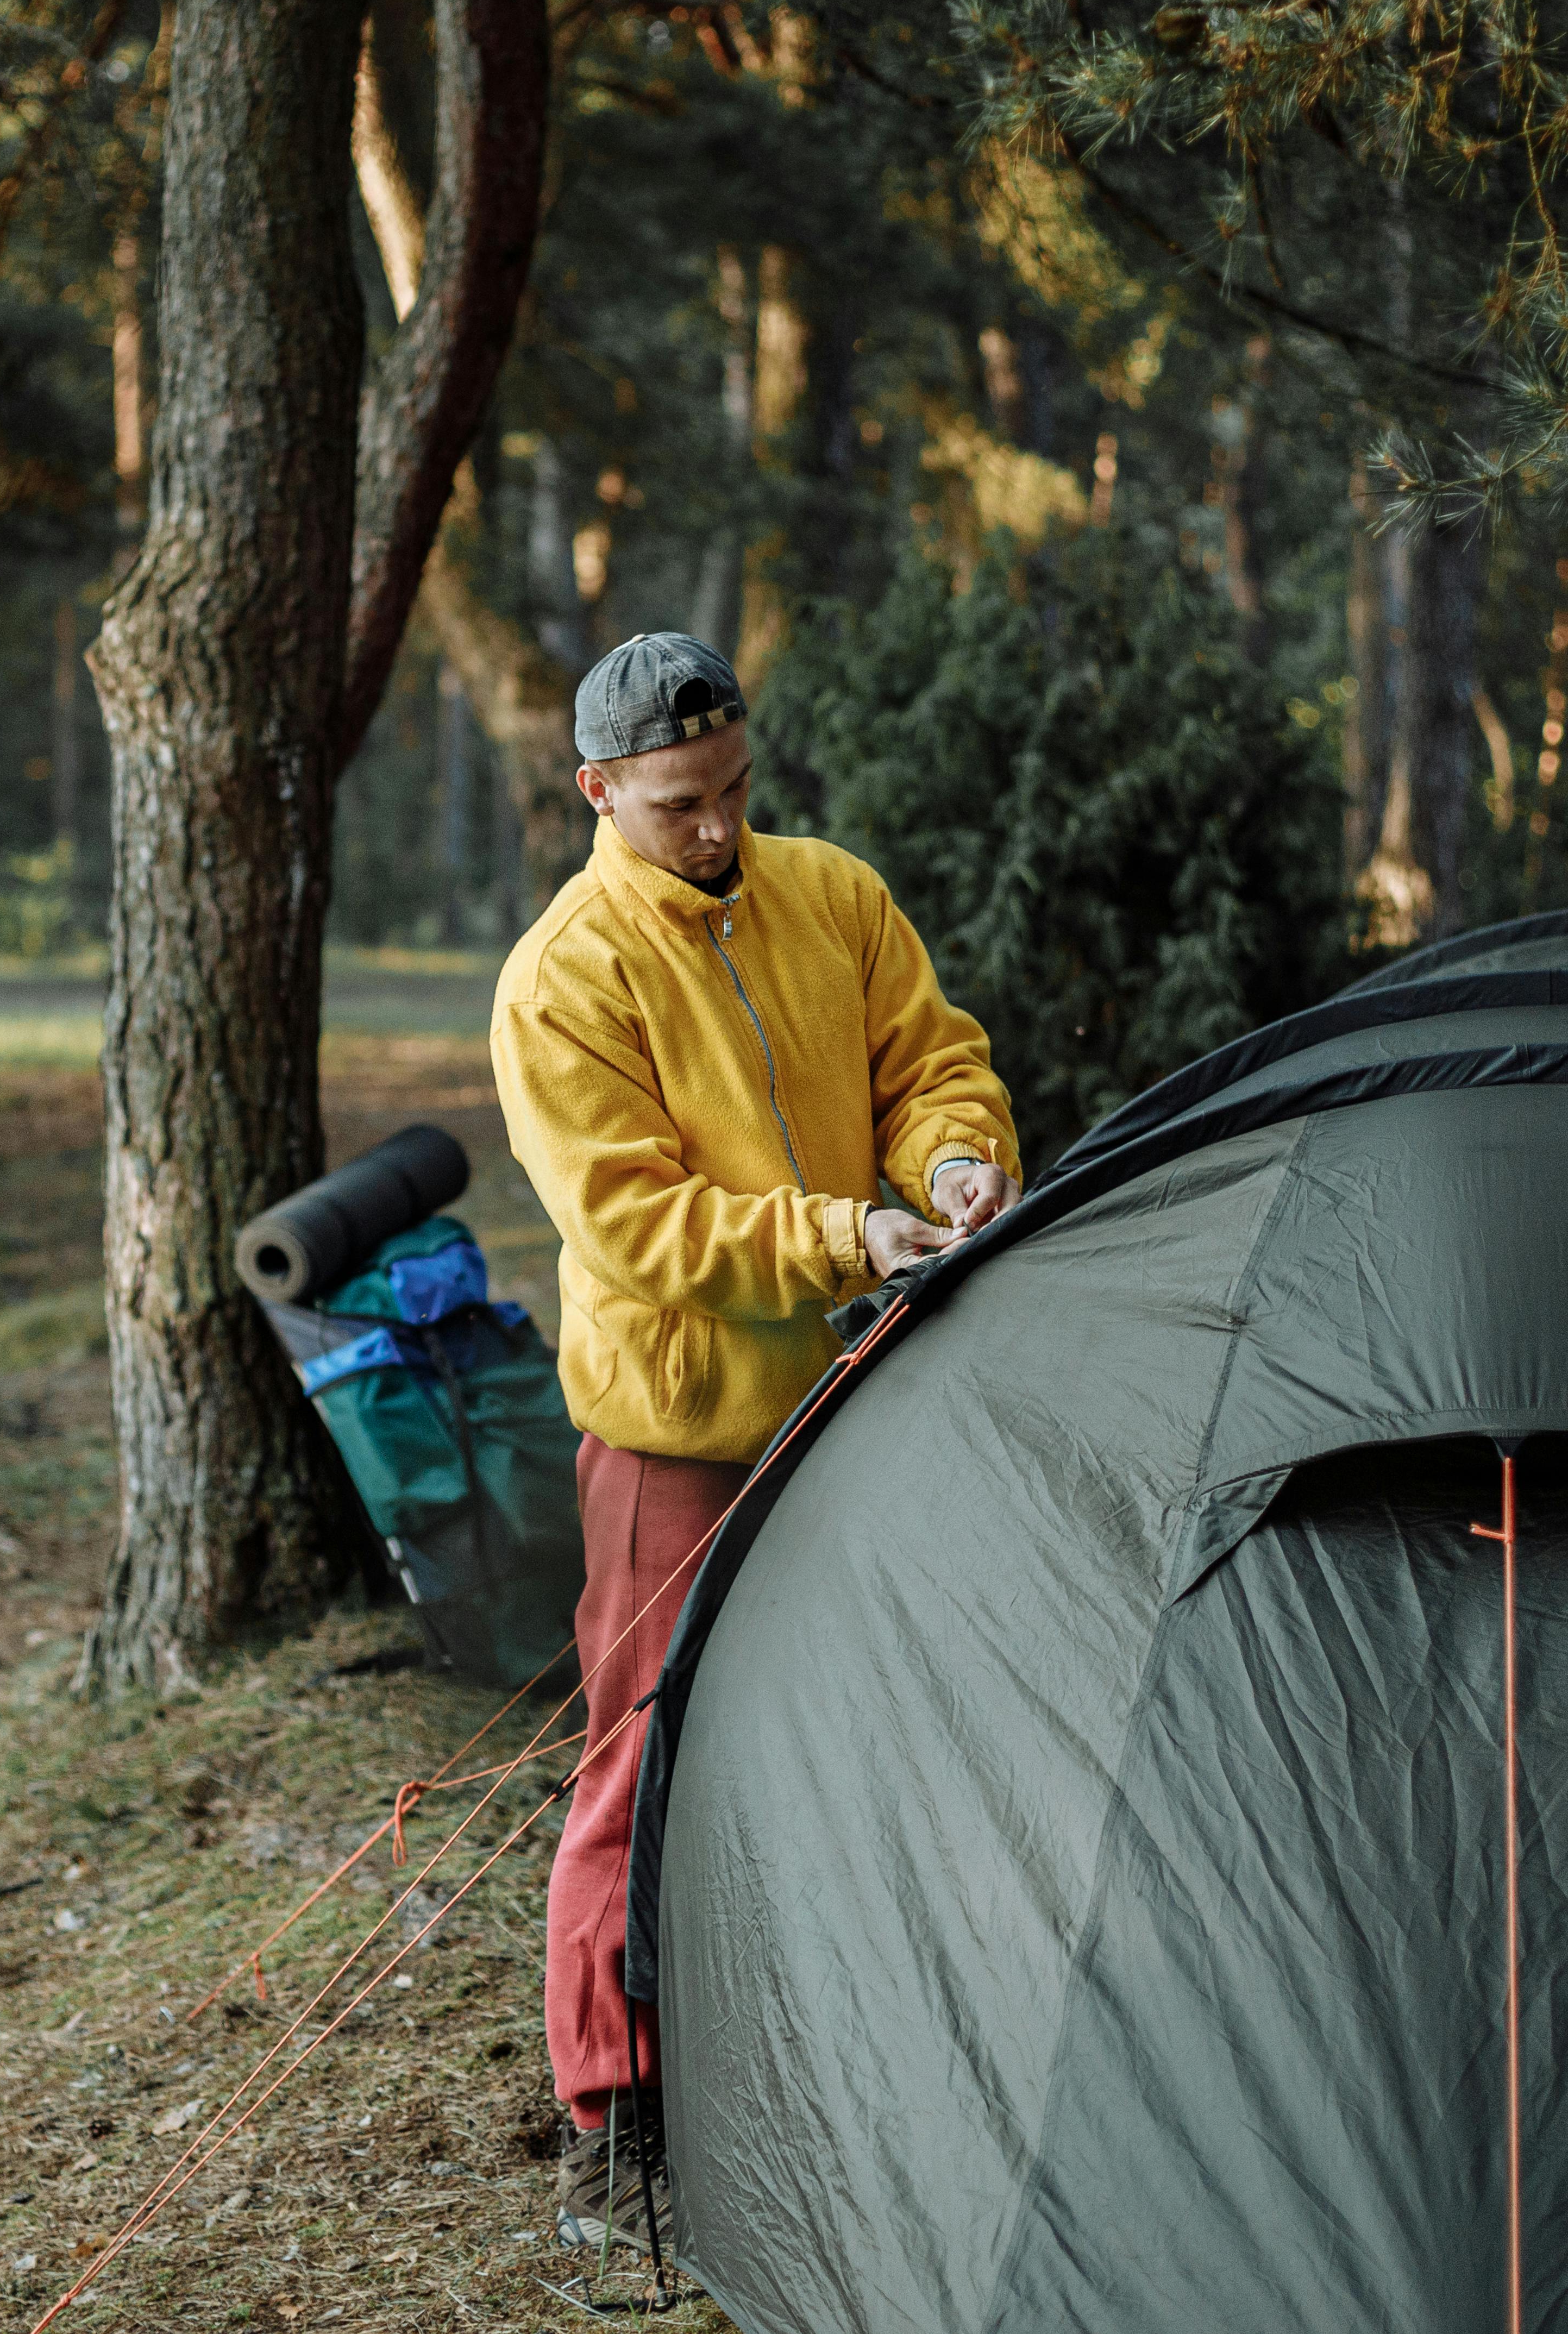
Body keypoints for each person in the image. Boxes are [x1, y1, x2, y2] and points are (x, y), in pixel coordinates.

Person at [488, 628, 1019, 2248]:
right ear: (597, 791)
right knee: (639, 1766)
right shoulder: (562, 976)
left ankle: (860, 2049)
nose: (713, 831)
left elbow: (935, 1061)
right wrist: (841, 1234)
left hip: (866, 1390)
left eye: (728, 792)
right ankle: (611, 2110)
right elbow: (636, 1222)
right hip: (676, 1429)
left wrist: (948, 1170)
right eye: (673, 807)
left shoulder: (834, 895)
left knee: (877, 1720)